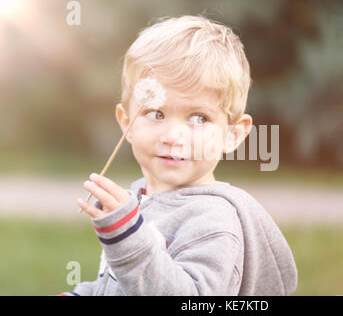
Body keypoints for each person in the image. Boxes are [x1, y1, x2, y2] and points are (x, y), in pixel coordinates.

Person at [63, 15, 297, 296]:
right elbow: (117, 285)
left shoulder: (213, 222)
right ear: (127, 123)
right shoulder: (138, 197)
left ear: (232, 134)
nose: (173, 136)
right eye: (155, 113)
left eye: (198, 118)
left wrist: (128, 237)